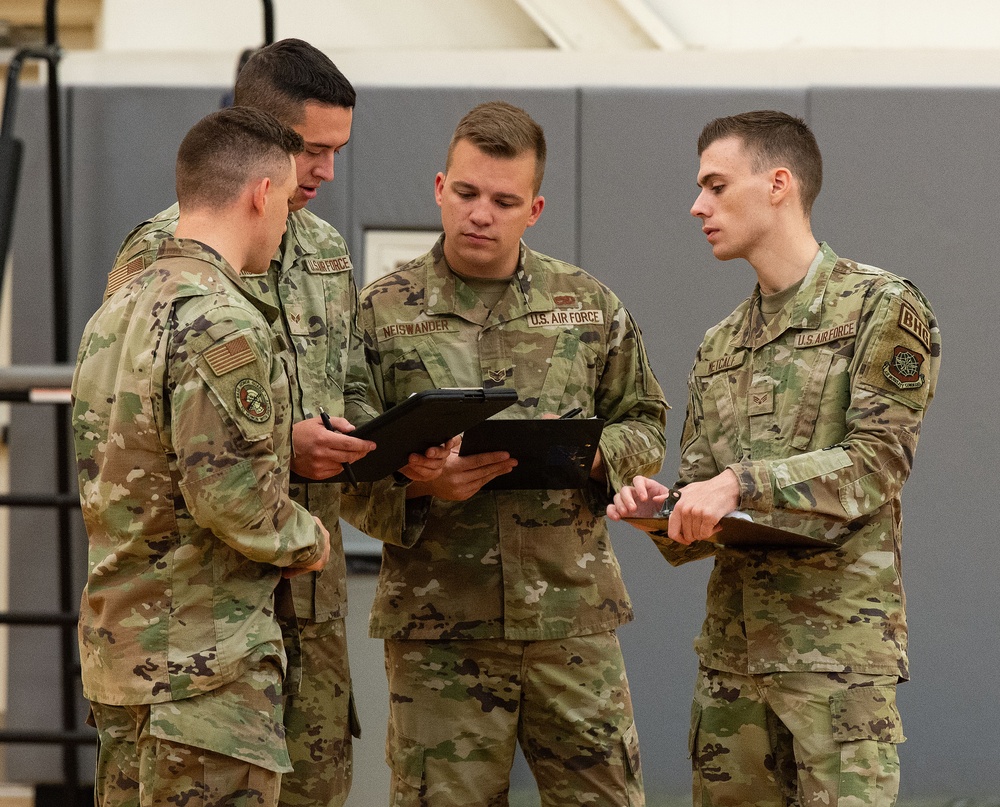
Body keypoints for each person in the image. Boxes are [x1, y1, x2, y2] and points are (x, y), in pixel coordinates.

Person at [105, 39, 446, 807]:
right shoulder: (166, 254)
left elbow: (350, 385)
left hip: (308, 598)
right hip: (198, 614)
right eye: (314, 151)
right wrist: (280, 443)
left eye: (338, 150)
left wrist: (391, 448)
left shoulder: (323, 250)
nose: (326, 171)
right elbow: (124, 430)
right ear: (264, 137)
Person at [608, 110, 942, 806]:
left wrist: (738, 482)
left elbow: (876, 463)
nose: (697, 205)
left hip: (836, 667)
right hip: (734, 668)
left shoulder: (881, 305)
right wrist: (660, 513)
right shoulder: (721, 342)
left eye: (715, 184)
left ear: (778, 184)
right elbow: (704, 499)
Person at [354, 100, 668, 807]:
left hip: (572, 619)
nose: (480, 215)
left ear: (536, 207)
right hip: (440, 631)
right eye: (466, 194)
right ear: (440, 187)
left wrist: (586, 453)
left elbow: (645, 420)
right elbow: (348, 466)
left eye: (504, 200)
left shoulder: (588, 307)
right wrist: (422, 484)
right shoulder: (381, 313)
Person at [73, 106, 331, 806]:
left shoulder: (116, 312)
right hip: (204, 676)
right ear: (259, 194)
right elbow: (235, 499)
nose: (284, 225)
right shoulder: (223, 320)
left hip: (122, 662)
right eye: (284, 201)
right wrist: (309, 538)